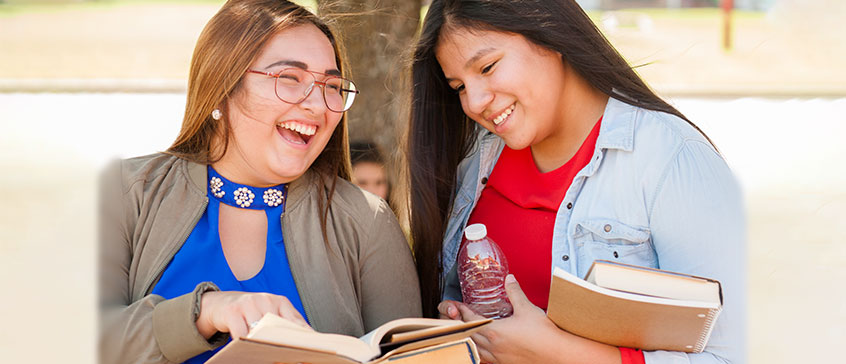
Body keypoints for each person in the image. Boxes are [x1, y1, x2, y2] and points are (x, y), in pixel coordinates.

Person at [405, 1, 745, 364]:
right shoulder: (474, 163)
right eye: (458, 87)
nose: (474, 102)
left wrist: (559, 354)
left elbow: (730, 356)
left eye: (487, 67)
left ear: (549, 34)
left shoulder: (670, 159)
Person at [98, 1, 421, 363]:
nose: (317, 105)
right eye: (289, 78)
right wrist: (205, 312)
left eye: (331, 85)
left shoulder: (367, 222)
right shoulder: (125, 194)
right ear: (221, 87)